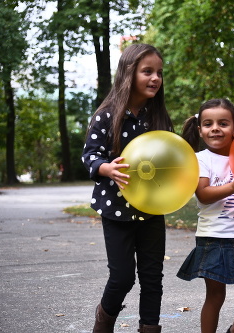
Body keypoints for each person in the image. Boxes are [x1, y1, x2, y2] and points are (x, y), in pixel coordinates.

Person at [81, 43, 174, 333]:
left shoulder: (157, 118)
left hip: (150, 208)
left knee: (151, 277)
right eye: (147, 71)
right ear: (128, 73)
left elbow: (171, 159)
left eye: (159, 72)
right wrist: (106, 167)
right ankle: (104, 319)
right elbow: (90, 155)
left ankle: (149, 327)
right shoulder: (106, 115)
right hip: (116, 209)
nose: (155, 78)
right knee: (122, 278)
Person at [177, 98, 234, 333]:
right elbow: (204, 195)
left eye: (223, 123)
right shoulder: (200, 160)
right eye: (208, 124)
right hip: (213, 238)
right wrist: (232, 186)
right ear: (200, 130)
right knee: (215, 295)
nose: (215, 128)